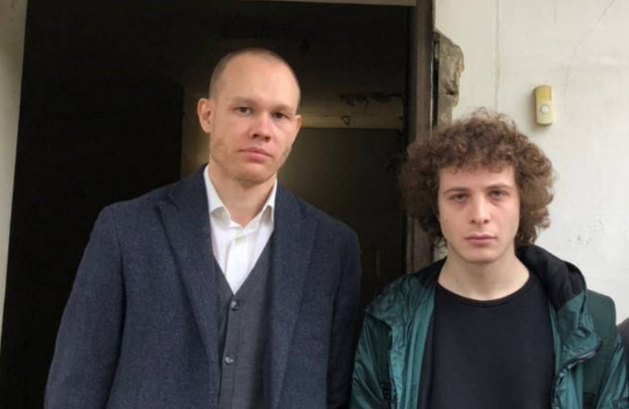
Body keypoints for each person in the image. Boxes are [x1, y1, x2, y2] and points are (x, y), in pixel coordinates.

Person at [45, 48, 362, 409]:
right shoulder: (125, 229)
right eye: (244, 109)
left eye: (279, 115)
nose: (263, 129)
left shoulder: (333, 248)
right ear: (207, 115)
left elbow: (337, 390)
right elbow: (77, 382)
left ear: (295, 128)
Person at [350, 112, 628, 409]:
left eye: (497, 193)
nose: (480, 215)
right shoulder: (390, 320)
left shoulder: (590, 323)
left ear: (522, 201)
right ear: (436, 207)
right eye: (459, 196)